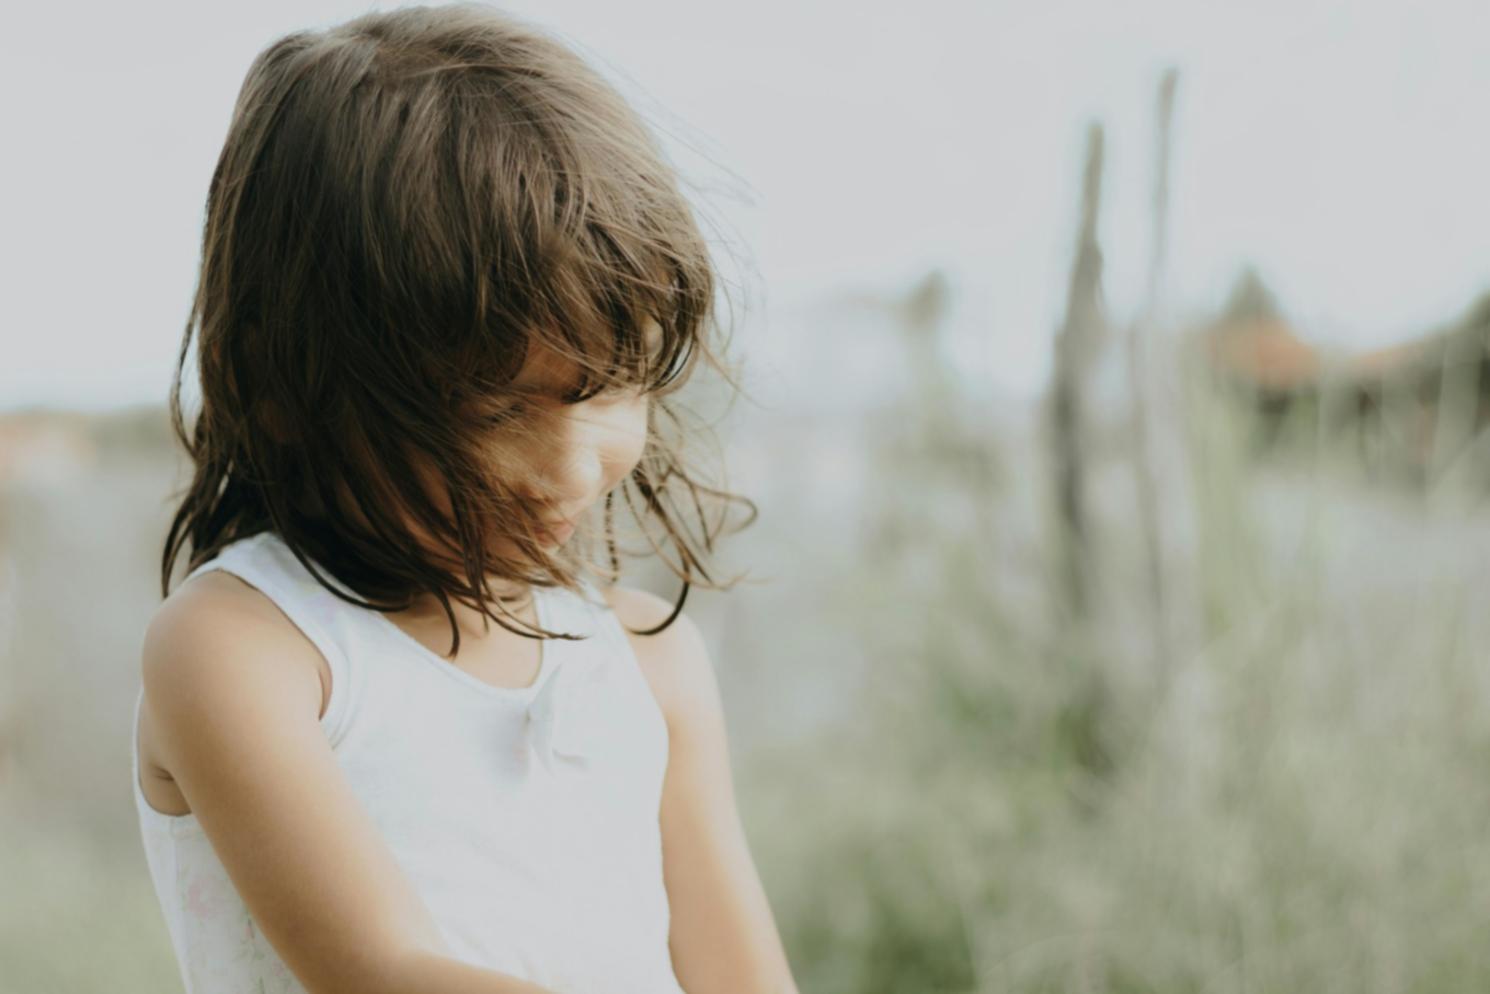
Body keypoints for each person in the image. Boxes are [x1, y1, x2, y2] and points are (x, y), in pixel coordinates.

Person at [130, 6, 798, 993]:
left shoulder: (649, 665)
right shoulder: (246, 651)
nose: (571, 469)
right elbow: (387, 972)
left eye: (606, 388)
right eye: (494, 409)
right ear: (275, 386)